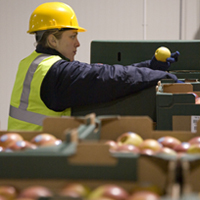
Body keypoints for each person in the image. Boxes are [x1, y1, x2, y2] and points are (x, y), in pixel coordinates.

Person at [8, 2, 180, 131]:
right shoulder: (55, 72)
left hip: (27, 150)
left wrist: (149, 67)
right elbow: (107, 77)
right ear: (53, 40)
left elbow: (99, 75)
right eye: (72, 37)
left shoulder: (33, 64)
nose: (78, 43)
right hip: (40, 159)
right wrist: (158, 76)